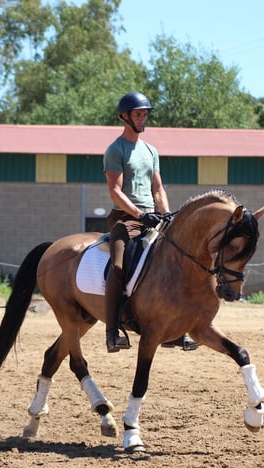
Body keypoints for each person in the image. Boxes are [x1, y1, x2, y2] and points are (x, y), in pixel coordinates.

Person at [102, 92, 198, 353]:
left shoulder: (151, 151)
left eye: (145, 114)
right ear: (125, 117)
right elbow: (115, 191)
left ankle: (176, 330)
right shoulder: (115, 150)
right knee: (119, 266)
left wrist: (166, 216)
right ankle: (112, 331)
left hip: (152, 218)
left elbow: (158, 189)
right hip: (125, 219)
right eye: (138, 114)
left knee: (176, 263)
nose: (143, 118)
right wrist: (139, 214)